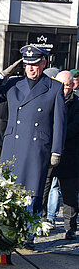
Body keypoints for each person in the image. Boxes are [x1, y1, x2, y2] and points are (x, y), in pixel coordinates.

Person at [0, 45, 66, 216]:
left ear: (43, 64)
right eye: (27, 65)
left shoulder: (54, 87)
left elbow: (60, 123)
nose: (31, 69)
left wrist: (56, 151)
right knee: (9, 189)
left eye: (35, 64)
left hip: (36, 147)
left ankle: (29, 233)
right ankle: (10, 232)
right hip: (13, 144)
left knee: (32, 191)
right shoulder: (14, 84)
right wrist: (2, 75)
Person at [42, 71, 79, 240]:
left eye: (68, 84)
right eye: (63, 84)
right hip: (48, 154)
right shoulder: (49, 99)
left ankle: (70, 228)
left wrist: (59, 134)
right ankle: (39, 223)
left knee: (69, 196)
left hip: (69, 155)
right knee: (42, 190)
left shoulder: (77, 103)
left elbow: (75, 126)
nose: (66, 88)